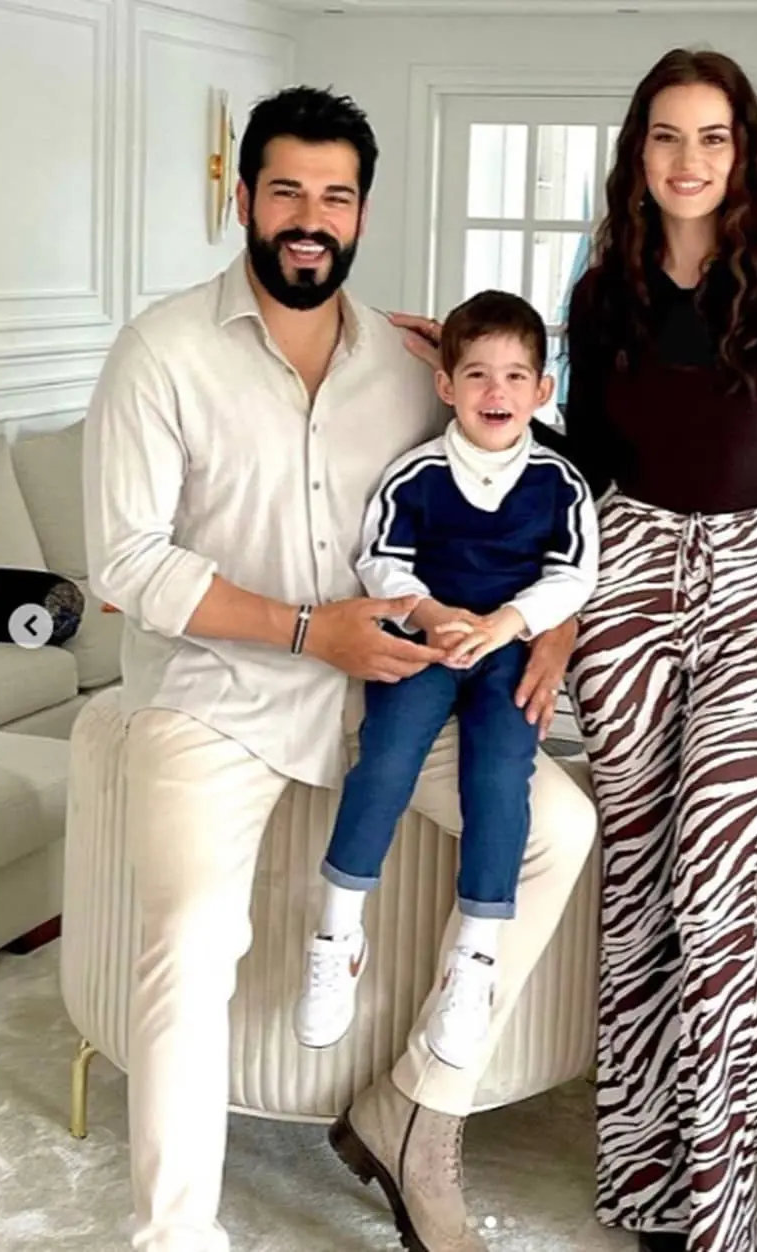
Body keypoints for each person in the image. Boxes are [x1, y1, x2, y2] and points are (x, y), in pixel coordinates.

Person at [389, 48, 757, 1252]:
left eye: (712, 136)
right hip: (629, 576)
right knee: (638, 880)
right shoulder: (603, 291)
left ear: (743, 152)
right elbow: (594, 464)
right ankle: (644, 1186)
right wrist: (487, 384)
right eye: (666, 135)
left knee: (711, 891)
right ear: (637, 153)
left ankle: (713, 1208)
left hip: (754, 589)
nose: (688, 159)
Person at [83, 85, 596, 1252]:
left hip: (384, 694)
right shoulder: (161, 350)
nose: (310, 219)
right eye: (287, 192)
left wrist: (551, 625)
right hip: (213, 699)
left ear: (361, 211)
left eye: (335, 196)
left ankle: (413, 1105)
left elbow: (532, 469)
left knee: (559, 828)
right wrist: (309, 630)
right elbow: (124, 561)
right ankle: (173, 1234)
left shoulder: (413, 364)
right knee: (190, 935)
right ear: (244, 201)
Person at [293, 289, 598, 1070]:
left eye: (515, 376)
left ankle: (476, 958)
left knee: (498, 777)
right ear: (446, 384)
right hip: (422, 641)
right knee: (386, 757)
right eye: (477, 375)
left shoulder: (560, 483)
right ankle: (336, 934)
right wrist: (429, 615)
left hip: (507, 649)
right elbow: (381, 559)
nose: (496, 392)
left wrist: (506, 625)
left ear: (542, 390)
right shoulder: (416, 474)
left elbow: (572, 577)